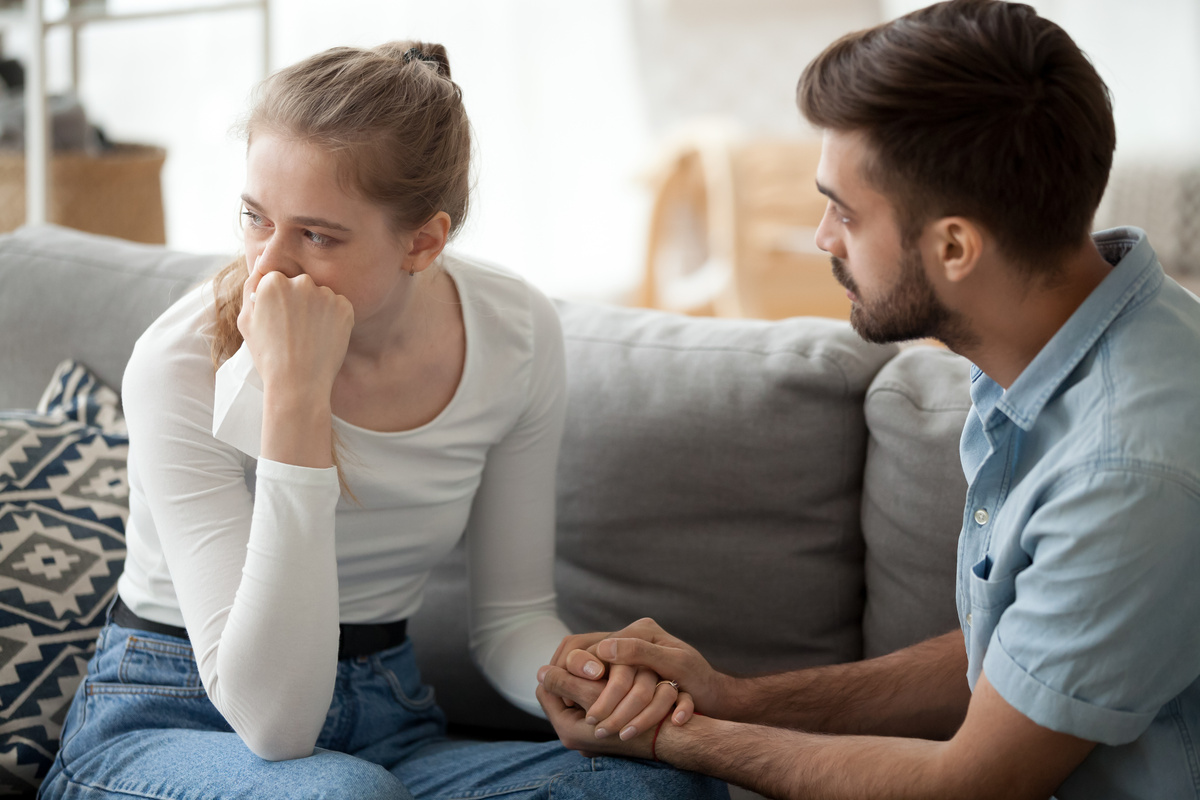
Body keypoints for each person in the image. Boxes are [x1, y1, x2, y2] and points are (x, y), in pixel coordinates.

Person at [536, 2, 1200, 798]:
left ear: (955, 246)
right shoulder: (1069, 344)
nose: (823, 237)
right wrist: (736, 698)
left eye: (845, 211)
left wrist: (675, 736)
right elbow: (1019, 653)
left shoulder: (1126, 468)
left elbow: (970, 782)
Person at [39, 42, 727, 800]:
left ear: (424, 242)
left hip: (386, 718)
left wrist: (580, 680)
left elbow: (511, 618)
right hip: (171, 720)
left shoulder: (514, 332)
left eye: (318, 236)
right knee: (342, 795)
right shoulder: (178, 362)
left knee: (664, 785)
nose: (268, 269)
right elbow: (275, 726)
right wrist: (296, 399)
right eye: (254, 219)